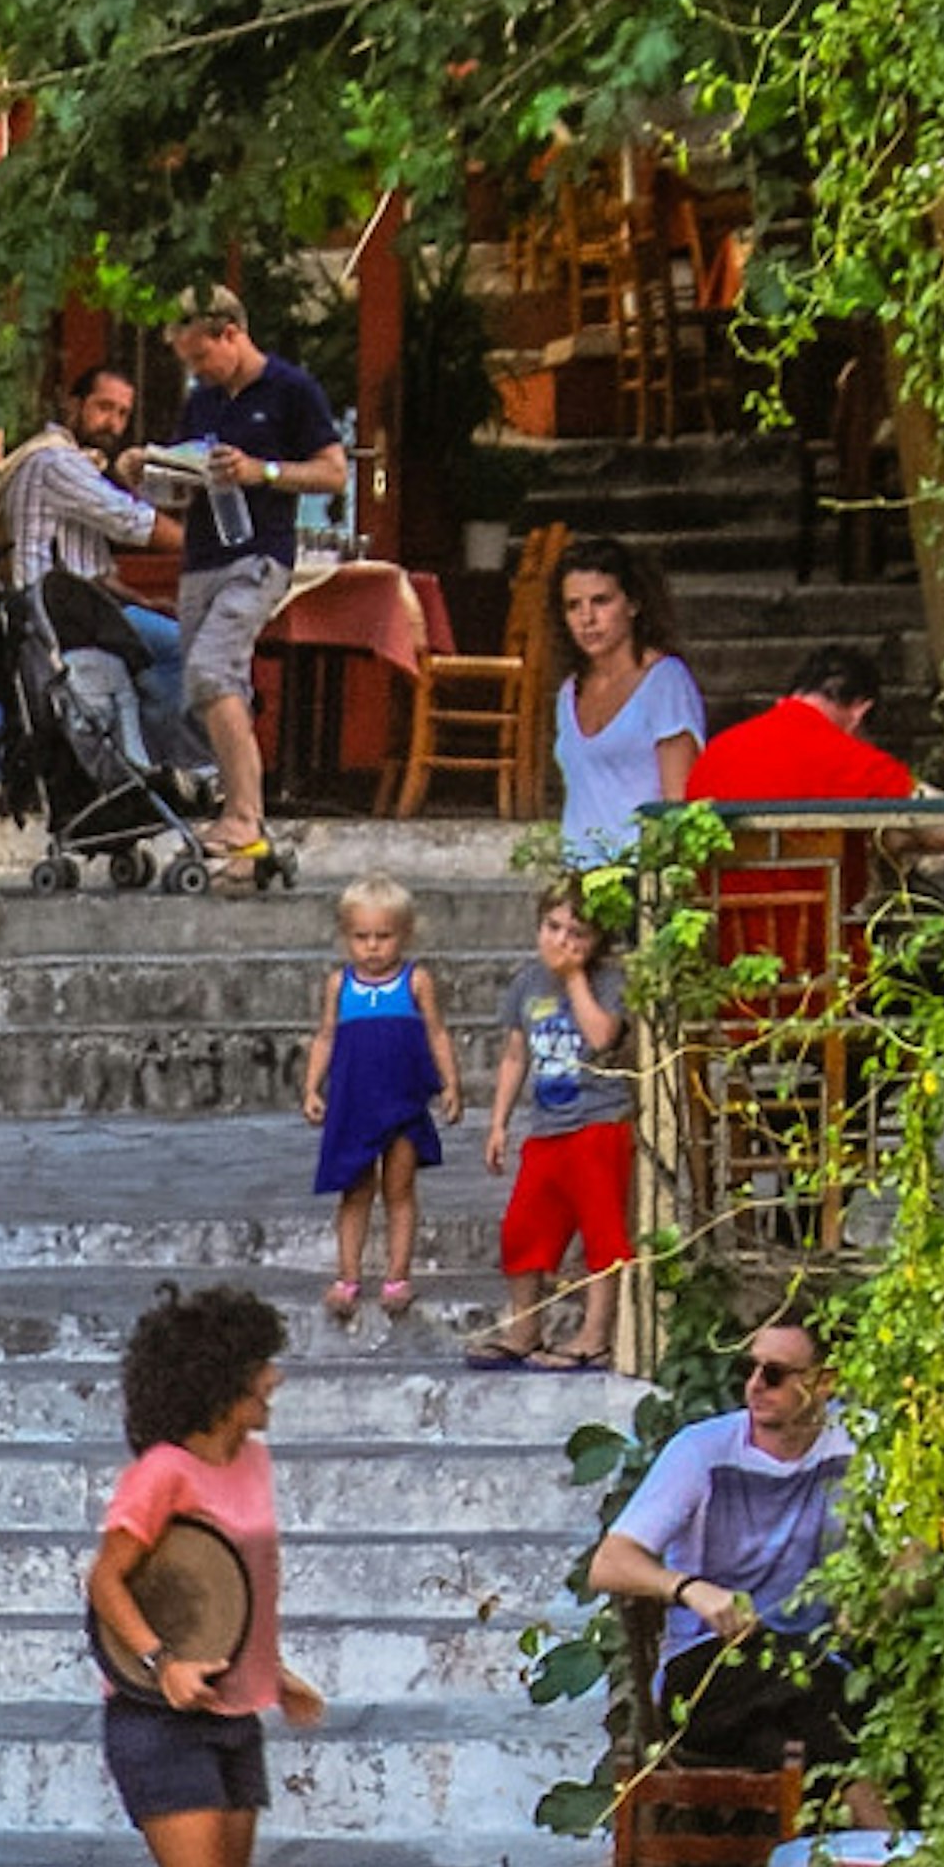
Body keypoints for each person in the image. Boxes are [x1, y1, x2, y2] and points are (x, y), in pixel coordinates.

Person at [69, 1283, 323, 1867]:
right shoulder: (162, 1473)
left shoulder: (250, 1459)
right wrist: (159, 1662)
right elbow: (109, 1581)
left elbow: (222, 1585)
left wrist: (269, 1671)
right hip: (156, 1717)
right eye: (262, 1367)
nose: (275, 1380)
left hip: (235, 1711)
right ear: (224, 1379)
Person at [586, 1319, 857, 1770]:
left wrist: (879, 1597)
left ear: (823, 1382)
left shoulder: (855, 1442)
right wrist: (689, 1587)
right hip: (709, 1666)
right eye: (746, 1370)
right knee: (813, 1698)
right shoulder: (702, 1450)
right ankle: (881, 1830)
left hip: (815, 1660)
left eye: (773, 1374)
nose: (754, 1386)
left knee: (784, 1739)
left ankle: (846, 1826)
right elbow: (610, 1562)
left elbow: (916, 1544)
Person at [162, 287, 347, 869]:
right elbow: (178, 475)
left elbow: (333, 474)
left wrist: (261, 471)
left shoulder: (292, 390)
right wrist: (148, 469)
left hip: (259, 553)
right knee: (208, 686)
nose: (197, 372)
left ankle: (244, 814)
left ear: (230, 334)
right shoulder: (204, 400)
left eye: (200, 357)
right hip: (201, 557)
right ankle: (236, 811)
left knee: (212, 669)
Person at [475, 882, 636, 1374]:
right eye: (553, 927)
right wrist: (499, 1122)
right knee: (523, 1228)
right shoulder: (526, 984)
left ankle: (595, 1334)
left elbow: (602, 1035)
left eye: (578, 933)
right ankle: (525, 1326)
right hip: (547, 1125)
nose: (562, 941)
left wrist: (573, 980)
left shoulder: (607, 982)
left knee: (601, 1230)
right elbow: (515, 1054)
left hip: (599, 1122)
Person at [1, 358, 193, 764]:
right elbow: (132, 522)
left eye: (123, 413)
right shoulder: (56, 463)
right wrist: (211, 548)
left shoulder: (79, 464)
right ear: (73, 406)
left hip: (78, 611)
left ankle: (143, 764)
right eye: (104, 407)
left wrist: (142, 602)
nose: (114, 423)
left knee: (166, 629)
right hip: (49, 619)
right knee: (184, 649)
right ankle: (178, 770)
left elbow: (93, 574)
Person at [299, 871, 462, 1328]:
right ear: (346, 937)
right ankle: (348, 1276)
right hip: (354, 1106)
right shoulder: (340, 985)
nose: (372, 947)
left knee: (399, 1190)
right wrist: (313, 1086)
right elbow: (327, 1036)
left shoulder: (416, 981)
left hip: (404, 1104)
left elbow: (436, 1032)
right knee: (355, 1191)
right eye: (361, 937)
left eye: (384, 937)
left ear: (405, 935)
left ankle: (396, 1275)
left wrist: (450, 1083)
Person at [549, 542, 708, 859]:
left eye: (601, 601)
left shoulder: (665, 682)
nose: (587, 618)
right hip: (576, 881)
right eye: (573, 606)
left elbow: (678, 802)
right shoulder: (570, 692)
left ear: (633, 603)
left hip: (640, 874)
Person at [684, 647, 914, 808]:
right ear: (859, 712)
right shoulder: (852, 760)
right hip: (817, 879)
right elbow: (937, 823)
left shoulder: (718, 751)